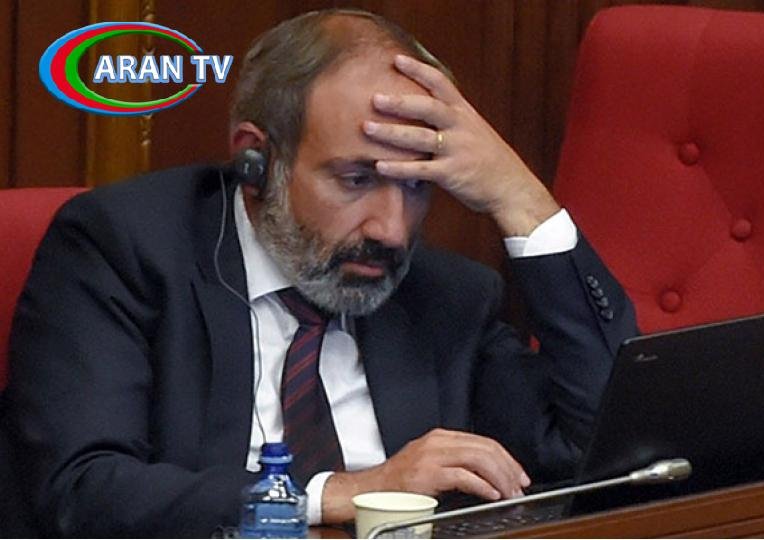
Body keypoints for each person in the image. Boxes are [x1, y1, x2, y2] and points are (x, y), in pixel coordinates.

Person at [3, 9, 637, 537]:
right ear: (256, 161)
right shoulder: (124, 249)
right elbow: (81, 490)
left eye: (416, 185)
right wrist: (344, 492)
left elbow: (606, 450)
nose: (392, 230)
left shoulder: (446, 296)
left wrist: (522, 199)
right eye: (356, 180)